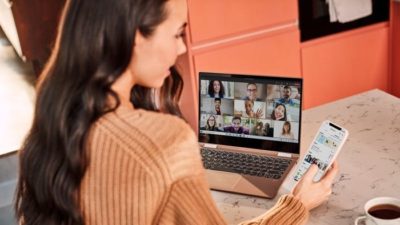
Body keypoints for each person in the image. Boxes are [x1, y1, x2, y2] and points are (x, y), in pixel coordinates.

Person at [15, 0, 339, 224]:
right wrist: (296, 205)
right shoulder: (164, 140)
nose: (182, 48)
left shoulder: (52, 125)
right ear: (134, 36)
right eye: (177, 33)